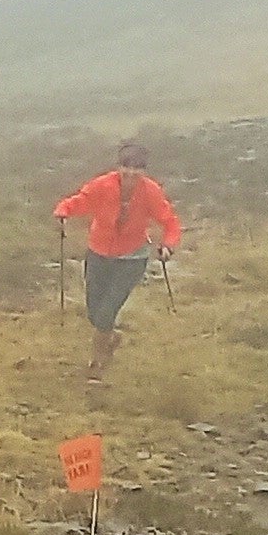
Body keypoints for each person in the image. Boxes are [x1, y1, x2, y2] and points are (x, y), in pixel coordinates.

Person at [51, 140, 183, 383]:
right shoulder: (102, 185)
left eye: (137, 168)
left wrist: (168, 246)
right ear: (118, 166)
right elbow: (80, 201)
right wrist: (63, 211)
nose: (131, 173)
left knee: (107, 311)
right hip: (98, 253)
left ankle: (97, 363)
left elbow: (170, 221)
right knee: (94, 312)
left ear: (144, 170)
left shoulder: (151, 191)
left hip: (132, 258)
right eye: (126, 166)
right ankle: (111, 338)